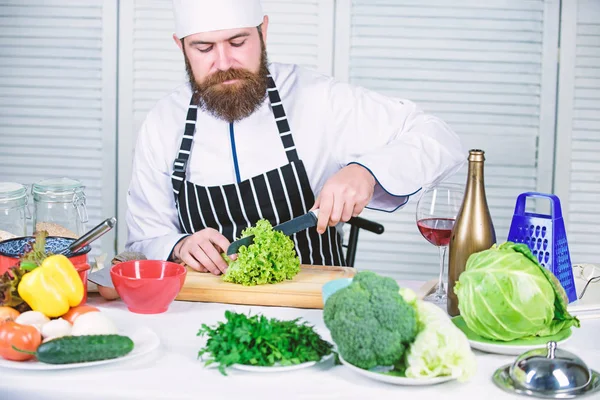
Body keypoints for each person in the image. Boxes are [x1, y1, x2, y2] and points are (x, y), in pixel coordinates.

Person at [124, 0, 465, 276]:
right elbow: (143, 238)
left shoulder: (318, 99)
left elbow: (439, 138)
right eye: (203, 48)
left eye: (238, 42)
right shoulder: (163, 123)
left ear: (264, 31)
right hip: (203, 313)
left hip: (314, 308)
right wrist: (177, 245)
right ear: (181, 47)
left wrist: (366, 171)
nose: (224, 62)